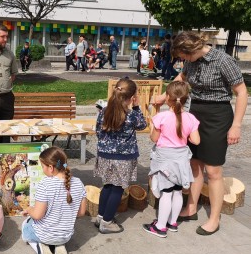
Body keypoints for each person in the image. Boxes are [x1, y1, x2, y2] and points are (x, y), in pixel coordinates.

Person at [153, 31, 247, 236]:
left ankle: (215, 219)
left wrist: (236, 125)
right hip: (195, 112)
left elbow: (241, 92)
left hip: (218, 115)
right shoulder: (191, 61)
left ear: (193, 49)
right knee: (194, 163)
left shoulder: (223, 60)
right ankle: (191, 208)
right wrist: (164, 96)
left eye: (184, 56)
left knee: (213, 171)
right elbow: (182, 78)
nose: (183, 61)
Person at [143, 81, 200, 238]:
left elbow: (154, 139)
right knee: (177, 192)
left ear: (167, 97)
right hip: (181, 160)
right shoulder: (191, 118)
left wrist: (155, 128)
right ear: (185, 99)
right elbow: (196, 141)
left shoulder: (161, 117)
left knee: (166, 192)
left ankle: (160, 227)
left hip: (165, 159)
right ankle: (172, 222)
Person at [94, 78, 147, 233]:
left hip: (104, 155)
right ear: (131, 98)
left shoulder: (103, 111)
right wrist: (136, 107)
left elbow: (98, 131)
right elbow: (143, 125)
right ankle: (107, 222)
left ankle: (101, 216)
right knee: (117, 189)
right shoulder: (131, 115)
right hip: (123, 158)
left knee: (107, 186)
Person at [21, 146, 87, 254]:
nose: (42, 170)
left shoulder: (45, 184)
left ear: (51, 168)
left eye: (43, 167)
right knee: (56, 231)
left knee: (25, 225)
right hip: (65, 235)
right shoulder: (78, 182)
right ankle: (59, 245)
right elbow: (81, 213)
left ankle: (41, 246)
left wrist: (29, 209)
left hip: (44, 234)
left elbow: (37, 215)